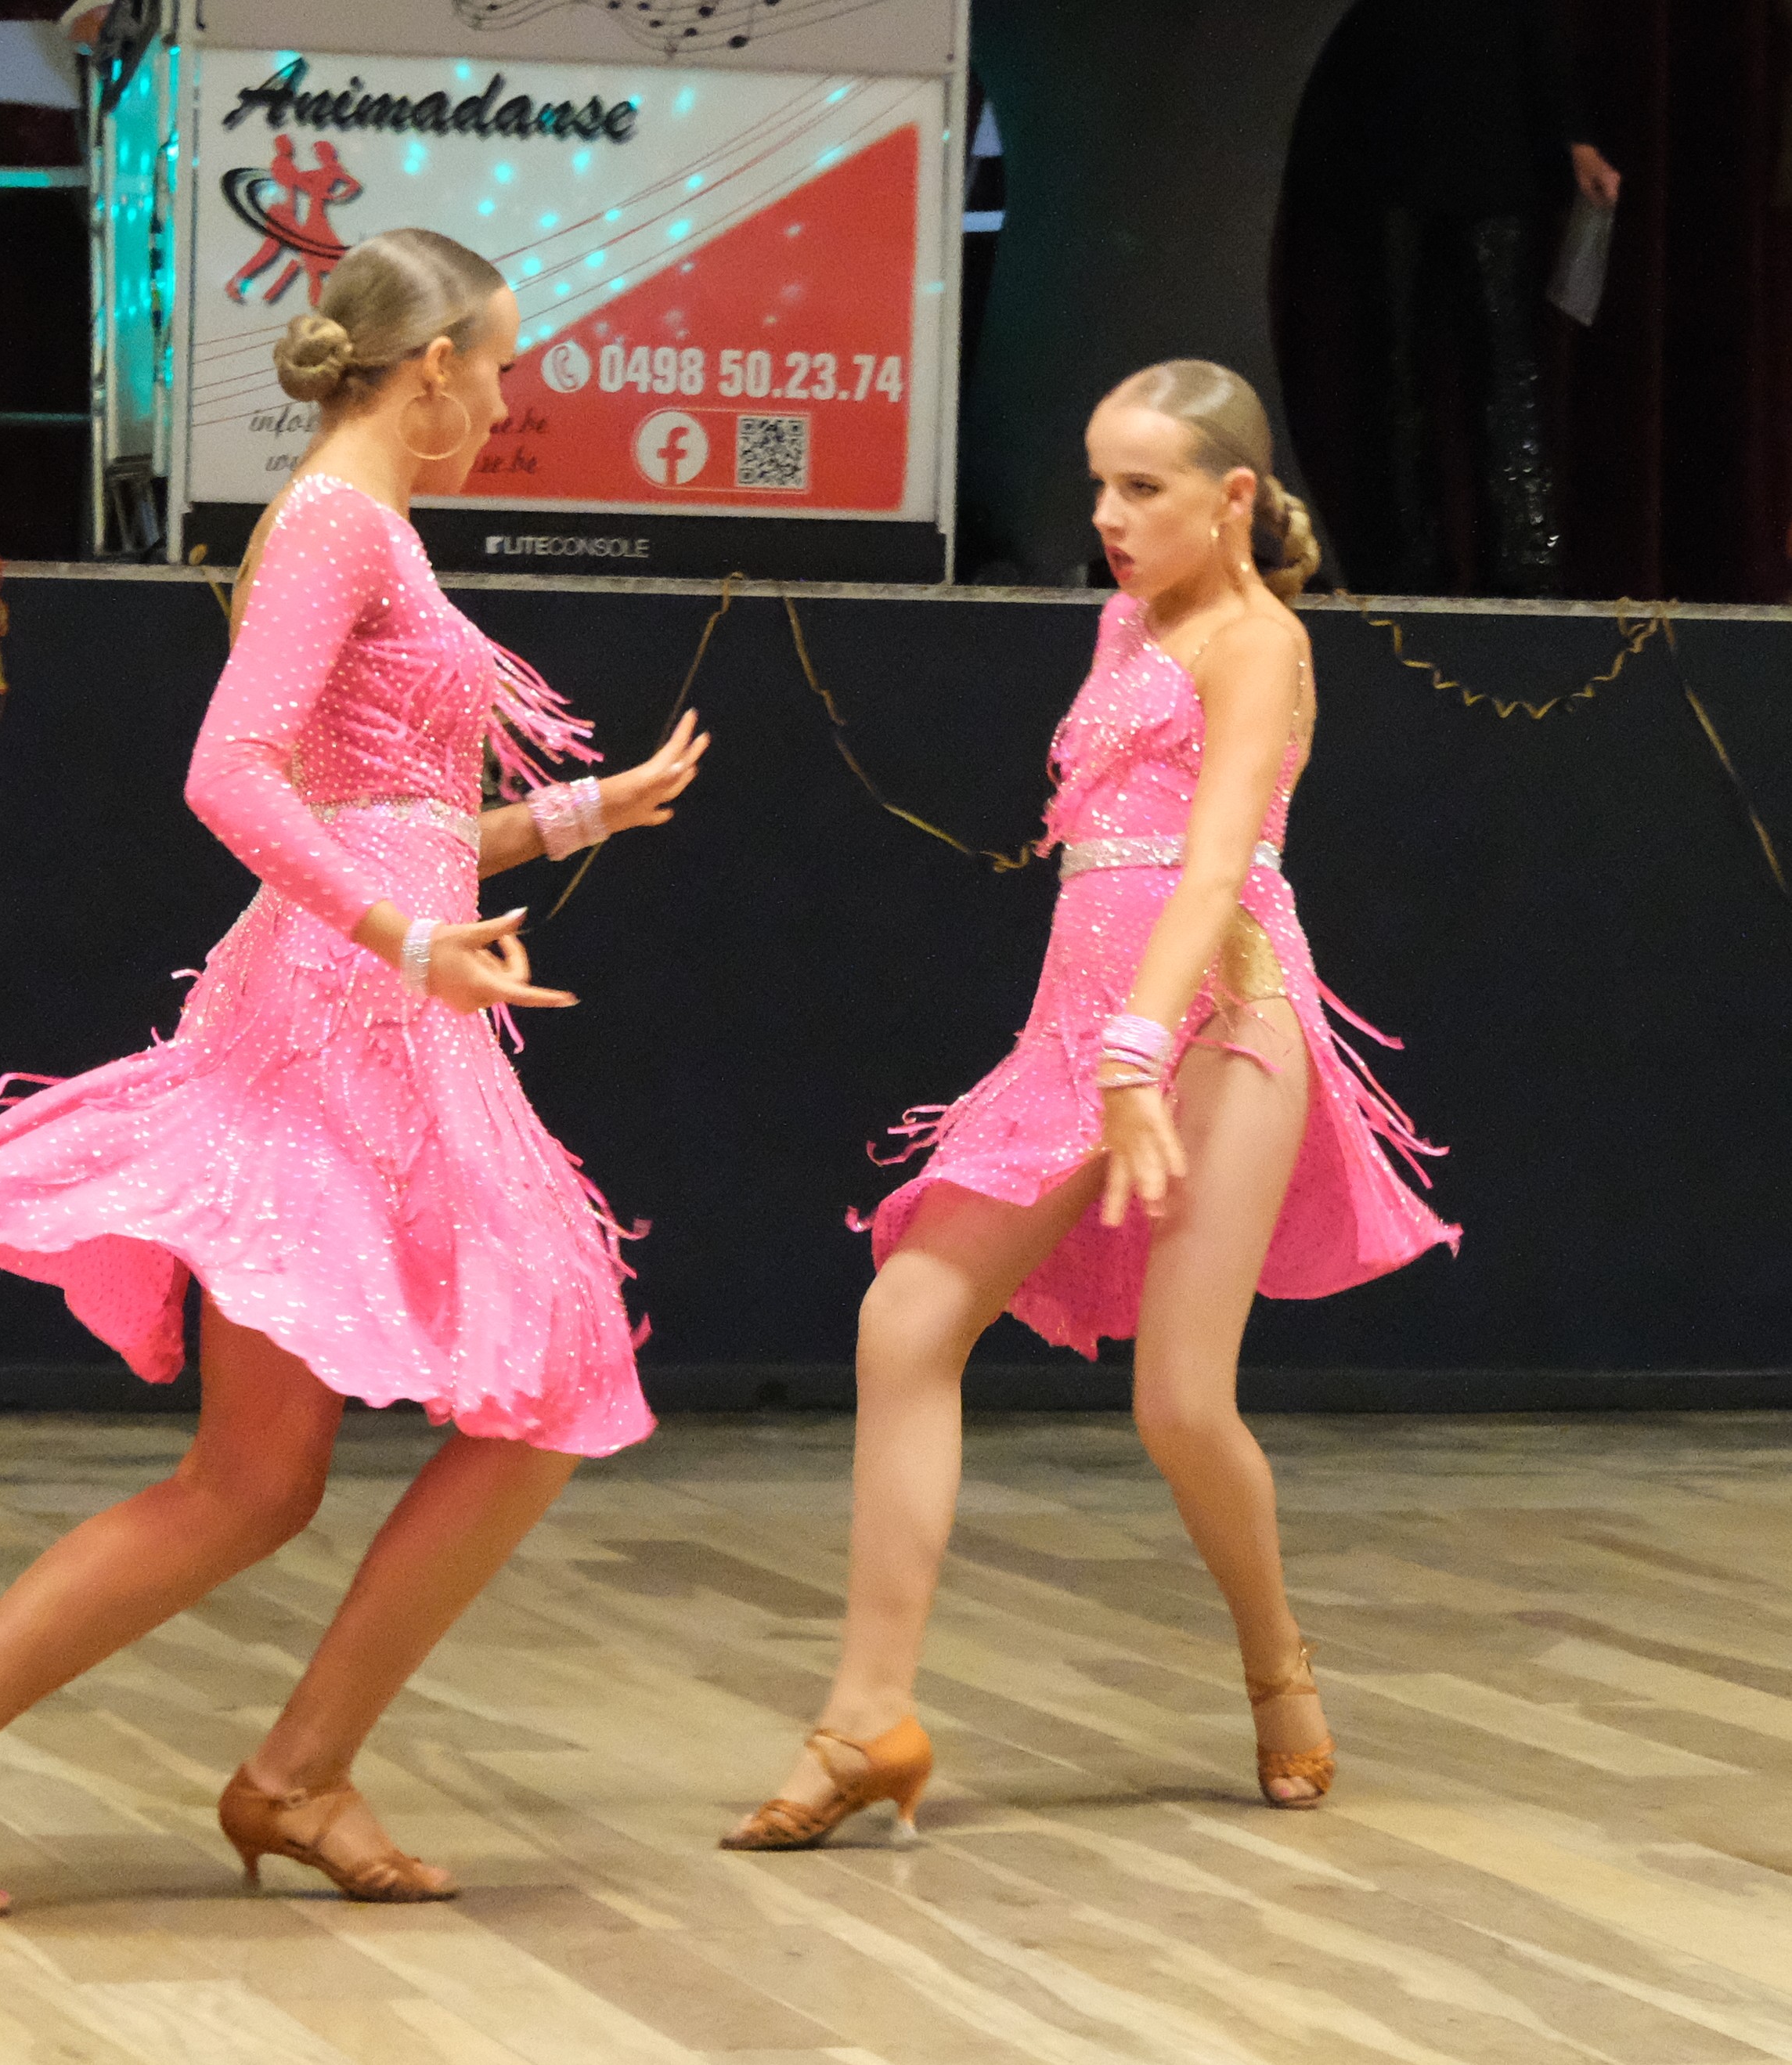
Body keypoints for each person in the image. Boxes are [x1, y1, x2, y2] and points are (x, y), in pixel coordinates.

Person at [0, 228, 711, 1919]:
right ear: (432, 365)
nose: (507, 400)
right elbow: (230, 775)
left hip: (381, 1004)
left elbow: (389, 814)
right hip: (339, 1022)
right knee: (492, 1400)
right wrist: (401, 936)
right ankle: (225, 1766)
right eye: (500, 367)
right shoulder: (338, 525)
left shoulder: (365, 527)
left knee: (282, 1473)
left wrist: (577, 815)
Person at [725, 362, 1457, 1849]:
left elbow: (1214, 867)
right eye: (1098, 487)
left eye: (1143, 488)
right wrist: (1100, 1043)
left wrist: (1135, 1048)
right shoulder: (1125, 619)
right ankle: (867, 1717)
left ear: (1232, 496)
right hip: (1082, 1029)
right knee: (905, 1320)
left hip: (1226, 1019)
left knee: (1180, 1403)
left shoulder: (1260, 643)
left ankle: (1276, 1662)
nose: (1109, 519)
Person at [1308, 0, 1622, 595]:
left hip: (1490, 166)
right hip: (1392, 168)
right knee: (1396, 374)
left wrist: (1576, 138)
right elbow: (1353, 47)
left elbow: (1536, 33)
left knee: (1506, 374)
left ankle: (1525, 561)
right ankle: (1404, 561)